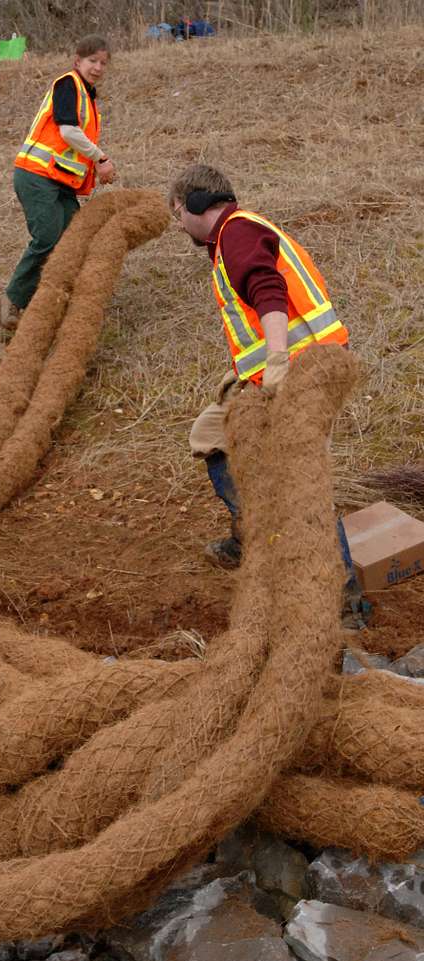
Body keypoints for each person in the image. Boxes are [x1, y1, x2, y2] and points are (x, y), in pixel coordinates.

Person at [169, 162, 370, 626]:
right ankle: (253, 536)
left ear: (198, 204)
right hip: (280, 371)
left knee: (300, 477)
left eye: (179, 211)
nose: (179, 223)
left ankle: (344, 599)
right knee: (214, 439)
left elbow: (268, 291)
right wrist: (244, 372)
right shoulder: (231, 238)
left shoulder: (237, 231)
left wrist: (277, 362)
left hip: (304, 370)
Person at [0, 35, 116, 331]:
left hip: (60, 181)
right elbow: (68, 132)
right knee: (48, 237)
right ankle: (12, 300)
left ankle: (57, 297)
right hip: (37, 176)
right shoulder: (68, 84)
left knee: (73, 237)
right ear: (77, 61)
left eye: (103, 63)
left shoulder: (88, 96)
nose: (98, 67)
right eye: (92, 61)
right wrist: (101, 159)